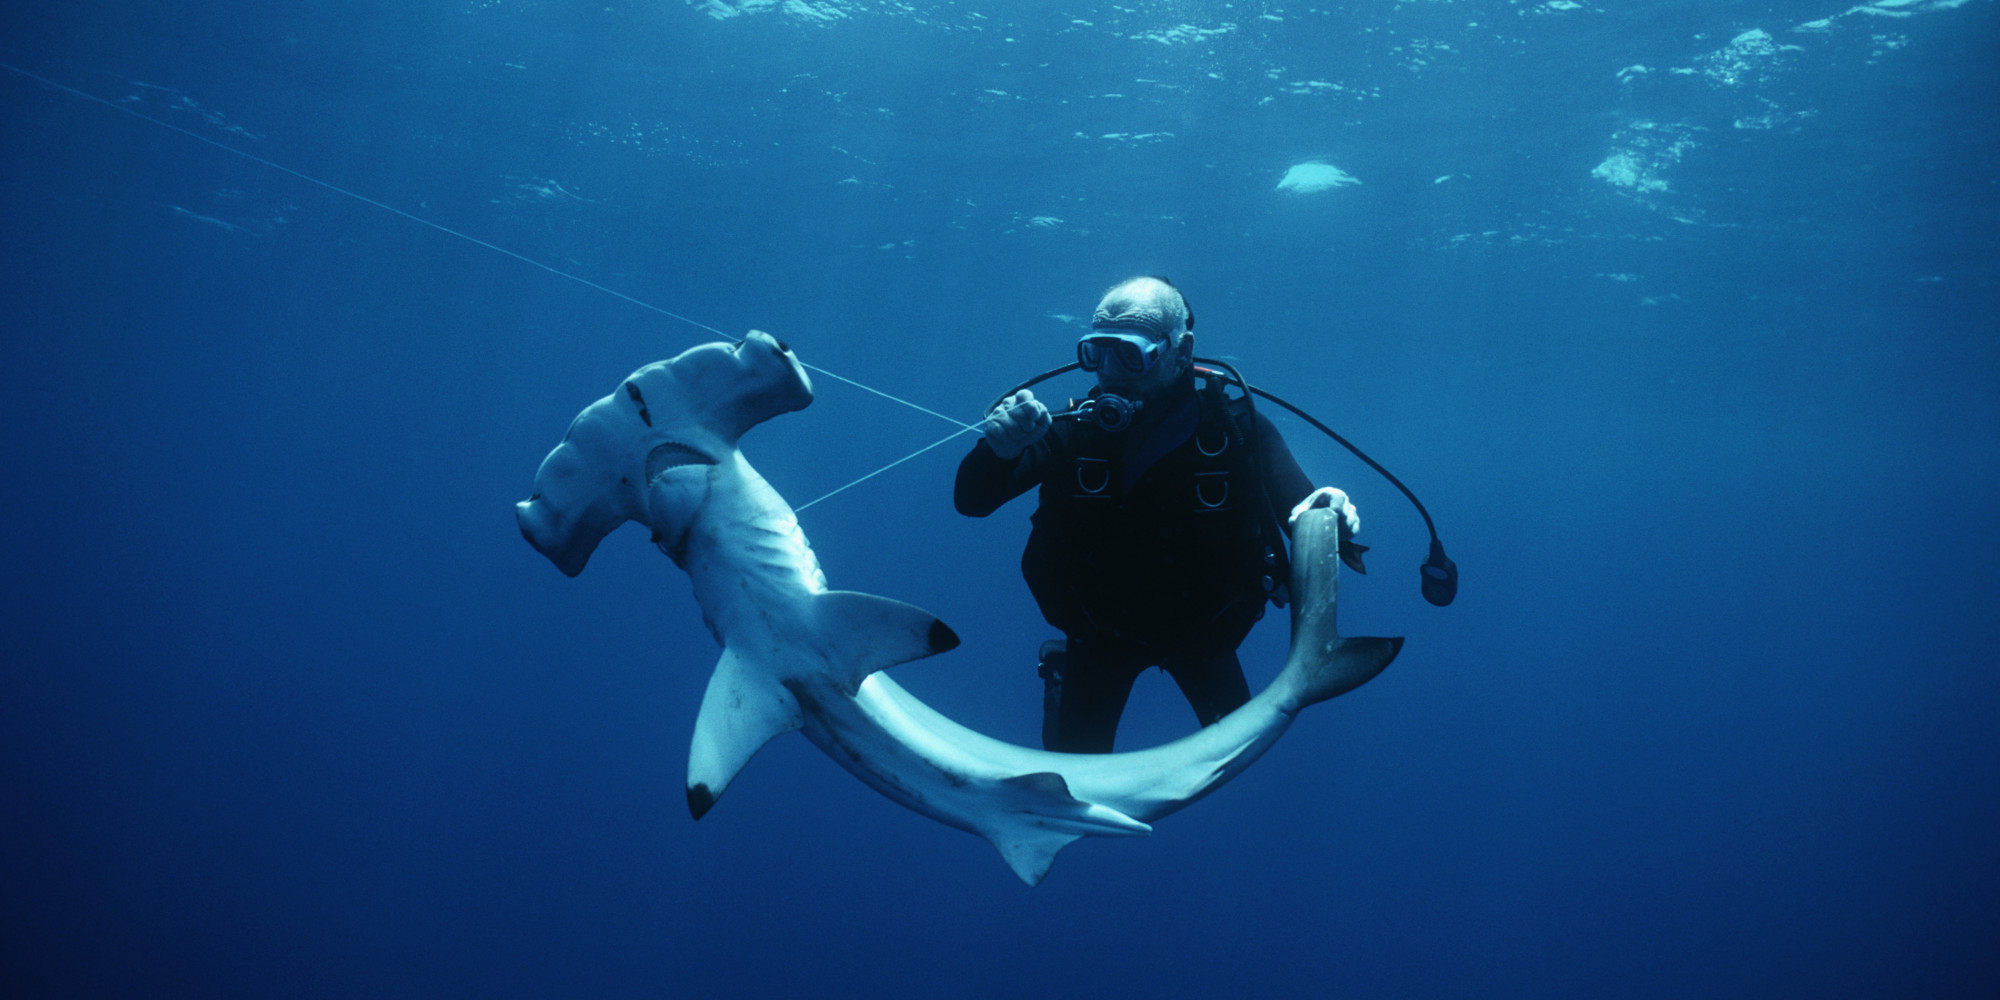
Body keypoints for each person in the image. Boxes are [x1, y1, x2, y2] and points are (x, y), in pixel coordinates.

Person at [954, 276, 1359, 753]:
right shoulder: (1072, 429)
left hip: (1204, 634)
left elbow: (1303, 508)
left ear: (1181, 350)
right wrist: (998, 451)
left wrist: (1329, 511)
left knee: (1239, 752)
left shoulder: (1238, 431)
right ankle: (1064, 671)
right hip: (1097, 631)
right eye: (1096, 352)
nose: (1109, 372)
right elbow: (972, 501)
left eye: (1129, 353)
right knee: (1076, 775)